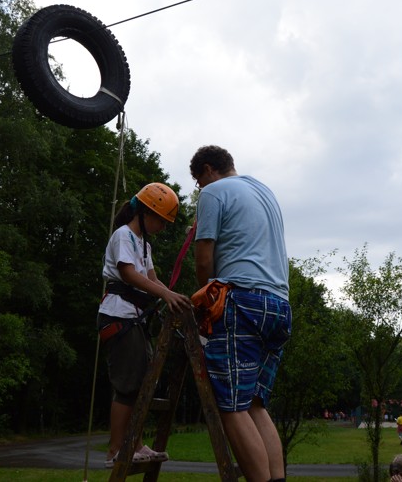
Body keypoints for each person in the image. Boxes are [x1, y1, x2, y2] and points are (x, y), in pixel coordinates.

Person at [190, 145, 292, 482]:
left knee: (231, 406)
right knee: (254, 404)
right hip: (278, 306)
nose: (199, 190)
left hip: (241, 303)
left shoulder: (214, 192)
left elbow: (204, 259)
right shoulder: (265, 191)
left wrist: (203, 302)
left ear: (207, 170)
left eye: (198, 183)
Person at [98, 183, 193, 468]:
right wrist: (164, 294)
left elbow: (151, 278)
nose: (163, 226)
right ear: (146, 212)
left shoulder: (144, 244)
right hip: (118, 316)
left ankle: (135, 444)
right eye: (161, 219)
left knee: (141, 384)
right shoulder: (123, 236)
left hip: (133, 318)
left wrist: (172, 296)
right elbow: (128, 274)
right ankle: (116, 449)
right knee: (127, 385)